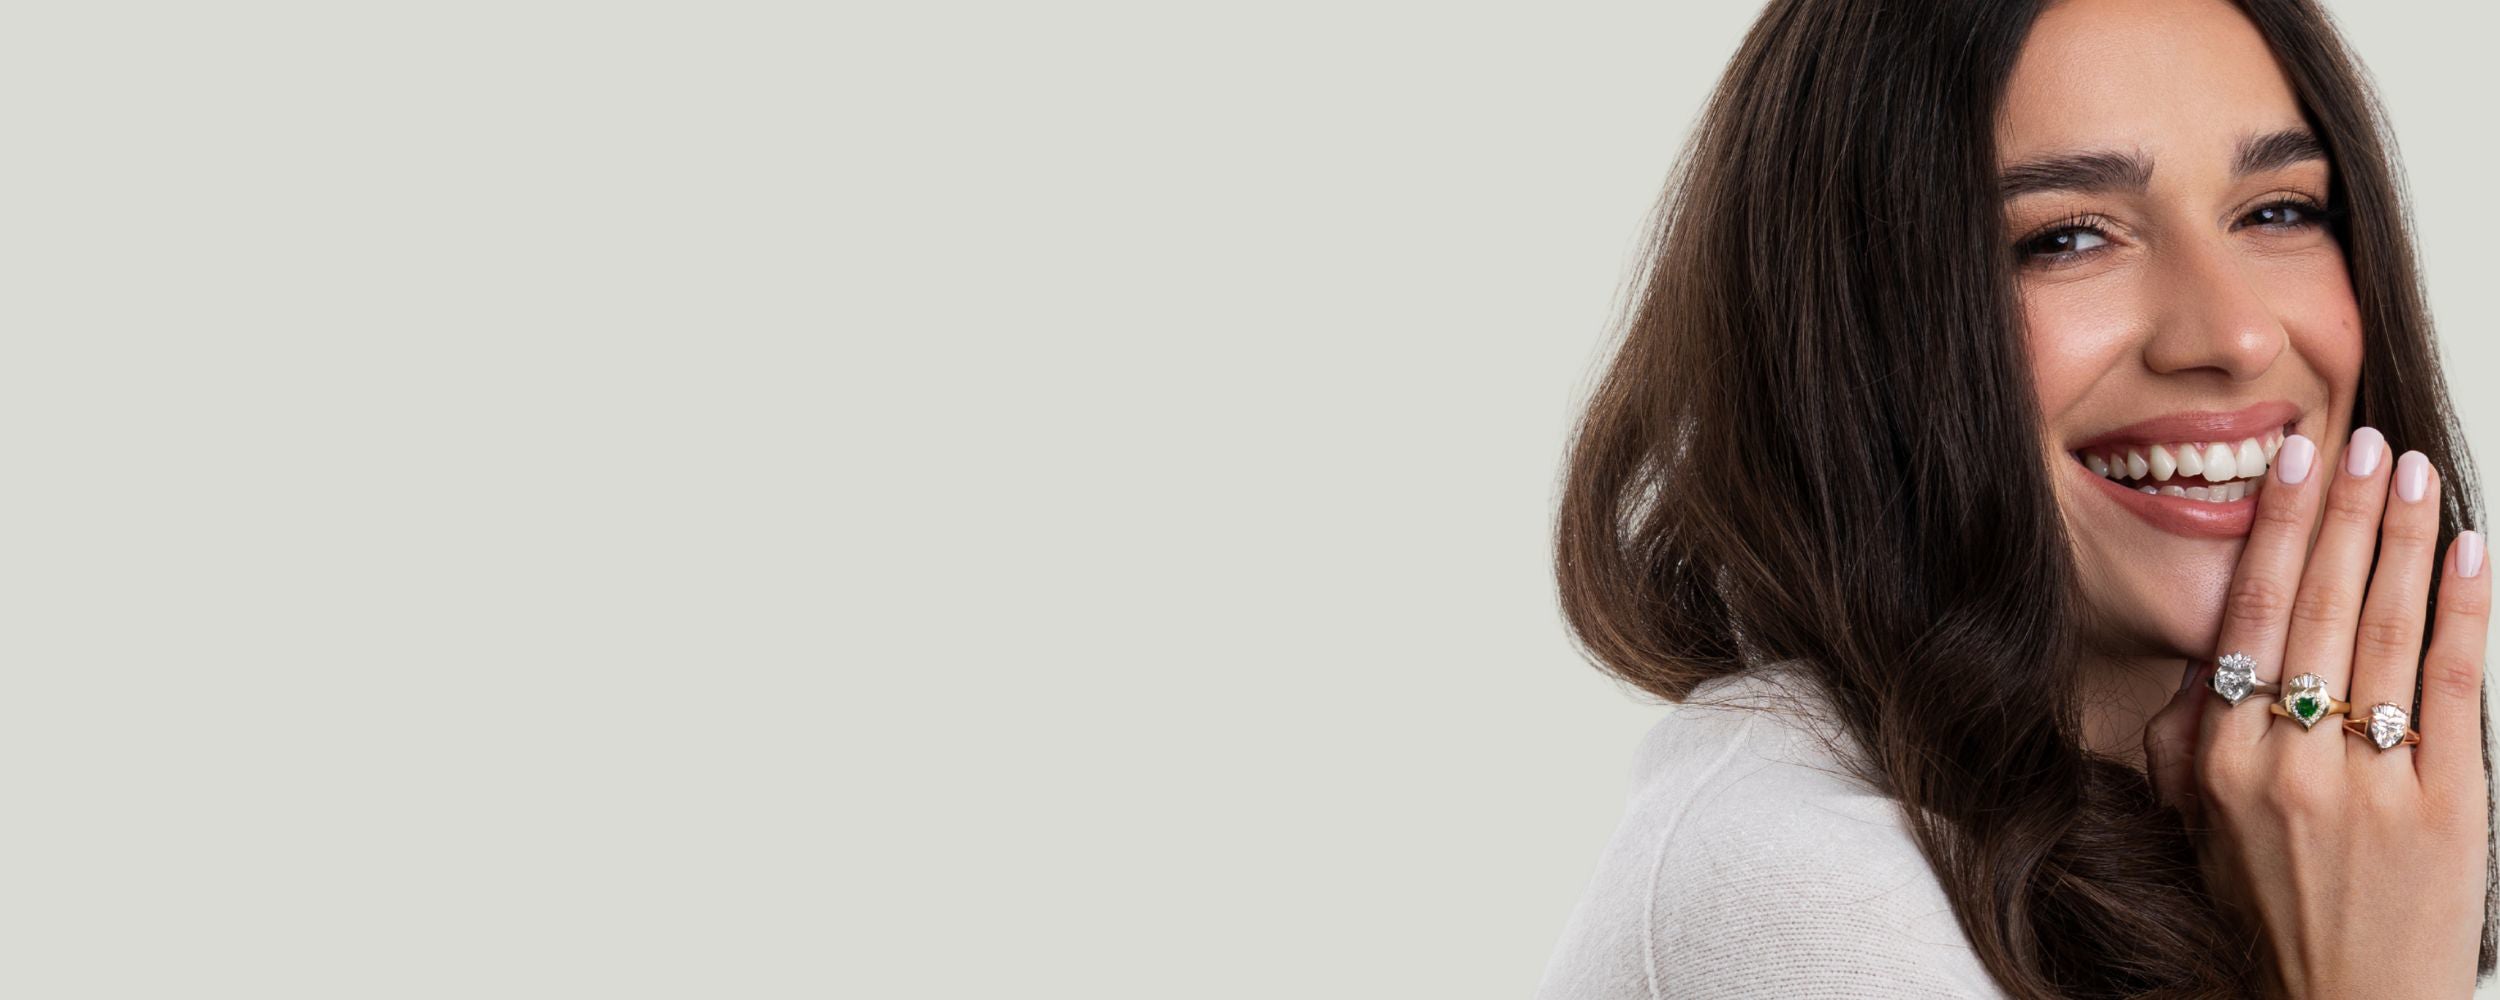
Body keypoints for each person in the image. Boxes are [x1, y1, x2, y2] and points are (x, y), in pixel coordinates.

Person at [1534, 0, 2493, 997]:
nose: (2235, 334)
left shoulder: (2265, 842)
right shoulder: (1797, 890)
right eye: (2068, 238)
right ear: (1854, 335)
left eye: (2278, 211)